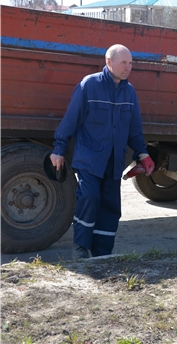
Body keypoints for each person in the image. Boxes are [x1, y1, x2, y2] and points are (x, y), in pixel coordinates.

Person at [50, 44, 154, 259]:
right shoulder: (89, 85)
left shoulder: (130, 91)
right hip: (90, 158)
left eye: (131, 63)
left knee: (111, 207)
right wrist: (59, 148)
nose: (128, 67)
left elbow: (134, 129)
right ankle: (80, 247)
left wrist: (142, 153)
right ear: (109, 62)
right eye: (123, 62)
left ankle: (102, 253)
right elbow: (71, 119)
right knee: (89, 198)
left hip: (115, 161)